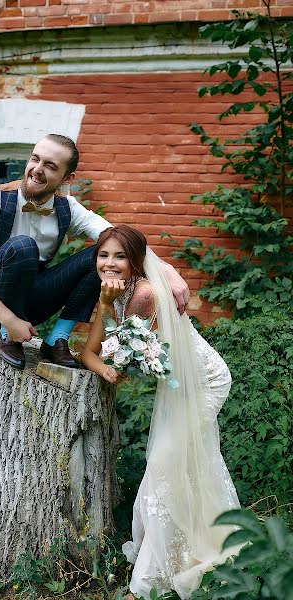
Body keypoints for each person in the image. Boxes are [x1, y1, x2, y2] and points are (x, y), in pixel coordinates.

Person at [81, 225, 240, 600]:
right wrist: (104, 311)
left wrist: (105, 352)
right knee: (175, 464)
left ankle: (146, 582)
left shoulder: (145, 295)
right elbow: (92, 351)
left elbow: (113, 349)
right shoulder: (111, 294)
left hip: (206, 383)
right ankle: (186, 548)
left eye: (120, 256)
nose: (110, 263)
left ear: (135, 262)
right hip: (177, 387)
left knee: (163, 466)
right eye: (103, 255)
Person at [0, 133, 190, 370]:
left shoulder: (67, 208)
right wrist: (8, 320)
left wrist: (165, 269)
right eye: (35, 159)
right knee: (23, 246)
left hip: (34, 300)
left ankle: (57, 338)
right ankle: (7, 335)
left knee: (101, 255)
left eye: (50, 166)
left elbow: (118, 238)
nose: (37, 169)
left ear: (67, 178)